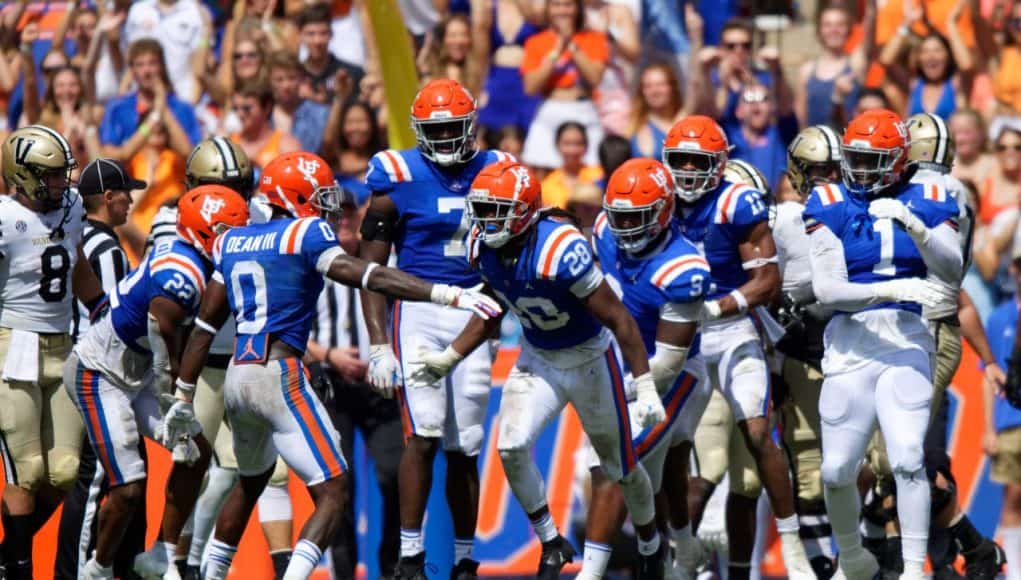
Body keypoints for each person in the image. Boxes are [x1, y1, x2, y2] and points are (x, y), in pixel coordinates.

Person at [170, 151, 501, 580]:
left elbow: (202, 328)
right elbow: (367, 275)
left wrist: (183, 394)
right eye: (318, 195)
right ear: (294, 196)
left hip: (238, 373)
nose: (325, 205)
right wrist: (447, 294)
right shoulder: (305, 231)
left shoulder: (234, 238)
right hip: (280, 376)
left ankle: (212, 573)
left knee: (251, 479)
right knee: (334, 491)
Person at [415, 159, 669, 578]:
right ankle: (552, 540)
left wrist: (645, 386)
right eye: (482, 208)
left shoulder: (559, 248)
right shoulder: (484, 248)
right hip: (538, 357)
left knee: (619, 466)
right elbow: (493, 307)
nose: (485, 219)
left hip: (589, 357)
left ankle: (650, 543)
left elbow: (619, 319)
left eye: (496, 209)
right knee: (510, 447)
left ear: (523, 210)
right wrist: (451, 356)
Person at [357, 78, 515, 579]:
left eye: (454, 129)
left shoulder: (497, 170)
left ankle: (466, 559)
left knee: (465, 445)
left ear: (471, 126)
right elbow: (370, 271)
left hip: (476, 311)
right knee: (422, 435)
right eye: (436, 130)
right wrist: (379, 344)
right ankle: (410, 556)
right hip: (419, 311)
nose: (446, 139)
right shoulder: (396, 176)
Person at [804, 108, 961, 580]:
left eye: (873, 159)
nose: (860, 168)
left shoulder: (931, 196)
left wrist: (915, 226)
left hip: (906, 342)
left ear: (899, 160)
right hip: (850, 344)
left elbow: (952, 267)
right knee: (835, 471)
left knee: (909, 457)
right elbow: (828, 291)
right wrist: (894, 289)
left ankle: (915, 569)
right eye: (854, 157)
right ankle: (852, 556)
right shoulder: (830, 199)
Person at [67, 186, 249, 580]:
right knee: (129, 487)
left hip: (135, 373)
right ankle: (95, 570)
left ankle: (162, 554)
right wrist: (174, 401)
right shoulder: (182, 273)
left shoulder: (195, 260)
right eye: (227, 231)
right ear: (204, 231)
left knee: (194, 452)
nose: (234, 240)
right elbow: (161, 336)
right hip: (100, 373)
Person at [664, 115, 813, 580]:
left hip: (731, 330)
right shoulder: (657, 199)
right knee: (674, 450)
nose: (687, 171)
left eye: (698, 161)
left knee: (755, 431)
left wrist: (718, 307)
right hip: (679, 336)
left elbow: (768, 282)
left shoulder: (737, 204)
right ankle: (675, 554)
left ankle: (790, 543)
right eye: (680, 160)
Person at [579, 158, 714, 579]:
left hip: (674, 375)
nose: (623, 226)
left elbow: (669, 363)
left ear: (661, 212)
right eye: (617, 215)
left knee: (617, 463)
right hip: (625, 369)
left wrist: (614, 387)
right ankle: (672, 557)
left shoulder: (683, 267)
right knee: (652, 478)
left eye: (635, 217)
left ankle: (591, 572)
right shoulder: (603, 231)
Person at [0, 125, 107, 580]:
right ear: (23, 175)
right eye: (51, 175)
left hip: (62, 345)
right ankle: (19, 570)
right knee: (25, 471)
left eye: (63, 174)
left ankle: (6, 557)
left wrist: (102, 308)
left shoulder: (72, 206)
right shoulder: (3, 219)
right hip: (12, 345)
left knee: (64, 472)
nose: (63, 183)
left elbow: (75, 257)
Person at [305, 187, 402, 580]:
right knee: (337, 486)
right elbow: (291, 330)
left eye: (349, 213)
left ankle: (393, 565)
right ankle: (344, 573)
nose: (343, 220)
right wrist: (329, 356)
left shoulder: (383, 259)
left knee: (396, 475)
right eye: (337, 214)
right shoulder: (310, 260)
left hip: (382, 386)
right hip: (331, 385)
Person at [57, 158, 144, 580]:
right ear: (107, 198)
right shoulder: (106, 248)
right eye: (126, 192)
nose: (132, 199)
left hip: (73, 363)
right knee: (96, 482)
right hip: (100, 374)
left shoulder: (78, 238)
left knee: (110, 481)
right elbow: (109, 322)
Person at [775, 125, 843, 578]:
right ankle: (822, 565)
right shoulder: (781, 220)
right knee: (809, 468)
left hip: (851, 348)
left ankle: (866, 552)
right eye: (815, 171)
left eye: (831, 171)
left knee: (867, 463)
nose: (824, 180)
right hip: (800, 349)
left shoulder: (859, 210)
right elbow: (765, 292)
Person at [520, 0, 607, 170]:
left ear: (577, 8)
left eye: (568, 5)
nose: (562, 10)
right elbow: (530, 87)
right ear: (548, 9)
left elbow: (595, 79)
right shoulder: (536, 42)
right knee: (539, 170)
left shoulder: (593, 38)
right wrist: (556, 51)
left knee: (593, 170)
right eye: (556, 5)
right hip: (550, 109)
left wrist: (572, 45)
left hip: (584, 109)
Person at [99, 39, 201, 163]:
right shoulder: (117, 108)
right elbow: (112, 157)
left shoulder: (183, 108)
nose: (146, 71)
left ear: (162, 66)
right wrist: (155, 116)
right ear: (132, 71)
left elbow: (189, 155)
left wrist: (163, 108)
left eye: (152, 63)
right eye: (140, 65)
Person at [985, 252, 1021, 580]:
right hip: (1011, 420)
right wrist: (989, 428)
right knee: (1013, 495)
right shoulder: (999, 318)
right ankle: (1016, 571)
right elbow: (990, 374)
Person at [794, 2, 874, 128]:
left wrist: (871, 6)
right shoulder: (807, 70)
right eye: (828, 25)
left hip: (847, 143)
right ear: (819, 29)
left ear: (849, 29)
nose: (834, 30)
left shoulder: (855, 64)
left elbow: (869, 32)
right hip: (816, 144)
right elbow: (800, 119)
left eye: (840, 24)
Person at [123, 0, 207, 103]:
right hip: (140, 101)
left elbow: (199, 68)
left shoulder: (196, 12)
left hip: (180, 99)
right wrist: (122, 94)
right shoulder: (137, 10)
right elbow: (131, 60)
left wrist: (189, 105)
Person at [724, 82, 799, 192]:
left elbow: (786, 108)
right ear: (738, 111)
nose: (756, 105)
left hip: (777, 205)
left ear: (772, 107)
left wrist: (777, 71)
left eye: (763, 99)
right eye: (749, 99)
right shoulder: (728, 139)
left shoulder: (783, 134)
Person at [229, 80, 301, 175]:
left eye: (246, 108)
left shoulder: (286, 145)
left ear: (267, 107)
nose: (240, 114)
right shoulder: (229, 145)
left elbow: (296, 180)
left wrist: (261, 168)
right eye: (235, 108)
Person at [267, 51, 330, 155]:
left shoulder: (321, 114)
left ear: (301, 79)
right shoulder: (263, 115)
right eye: (279, 80)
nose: (286, 85)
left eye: (292, 78)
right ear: (269, 82)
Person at [540, 121, 603, 209]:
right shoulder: (547, 186)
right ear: (557, 145)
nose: (572, 150)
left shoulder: (599, 175)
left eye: (578, 143)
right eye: (567, 143)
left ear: (586, 146)